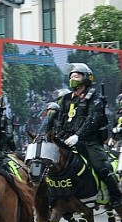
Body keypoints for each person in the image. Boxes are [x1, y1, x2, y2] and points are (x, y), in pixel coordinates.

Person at [49, 63, 122, 208]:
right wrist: (59, 138)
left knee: (102, 166)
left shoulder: (94, 97)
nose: (73, 79)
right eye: (71, 76)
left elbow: (92, 120)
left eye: (76, 76)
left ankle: (116, 196)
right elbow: (62, 120)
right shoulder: (66, 99)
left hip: (89, 142)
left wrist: (78, 136)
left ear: (86, 78)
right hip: (68, 141)